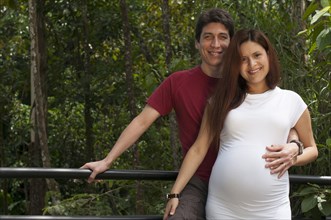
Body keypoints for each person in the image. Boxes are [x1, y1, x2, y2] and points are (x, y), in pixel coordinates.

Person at [82, 9, 301, 220]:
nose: (215, 45)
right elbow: (142, 121)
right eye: (208, 37)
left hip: (249, 193)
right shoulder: (178, 83)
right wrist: (107, 160)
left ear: (232, 43)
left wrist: (294, 143)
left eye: (222, 37)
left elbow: (280, 114)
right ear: (197, 43)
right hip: (198, 181)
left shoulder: (248, 81)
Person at [164, 29, 318, 220]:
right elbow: (198, 149)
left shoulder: (291, 100)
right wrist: (174, 193)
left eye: (257, 55)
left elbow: (312, 148)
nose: (252, 64)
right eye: (243, 59)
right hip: (223, 209)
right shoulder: (220, 101)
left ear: (268, 55)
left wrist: (293, 157)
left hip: (272, 209)